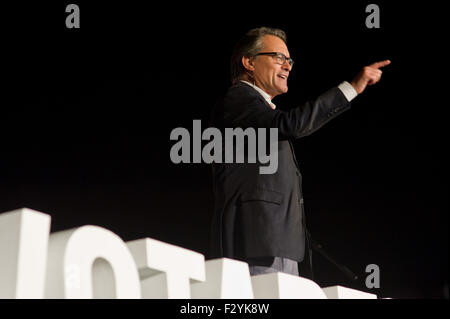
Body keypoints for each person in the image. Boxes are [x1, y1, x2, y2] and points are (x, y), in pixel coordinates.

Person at [209, 27, 390, 276]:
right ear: (249, 62)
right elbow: (292, 125)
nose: (288, 66)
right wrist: (351, 88)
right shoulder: (238, 99)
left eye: (289, 60)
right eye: (279, 57)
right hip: (257, 241)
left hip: (275, 241)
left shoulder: (260, 112)